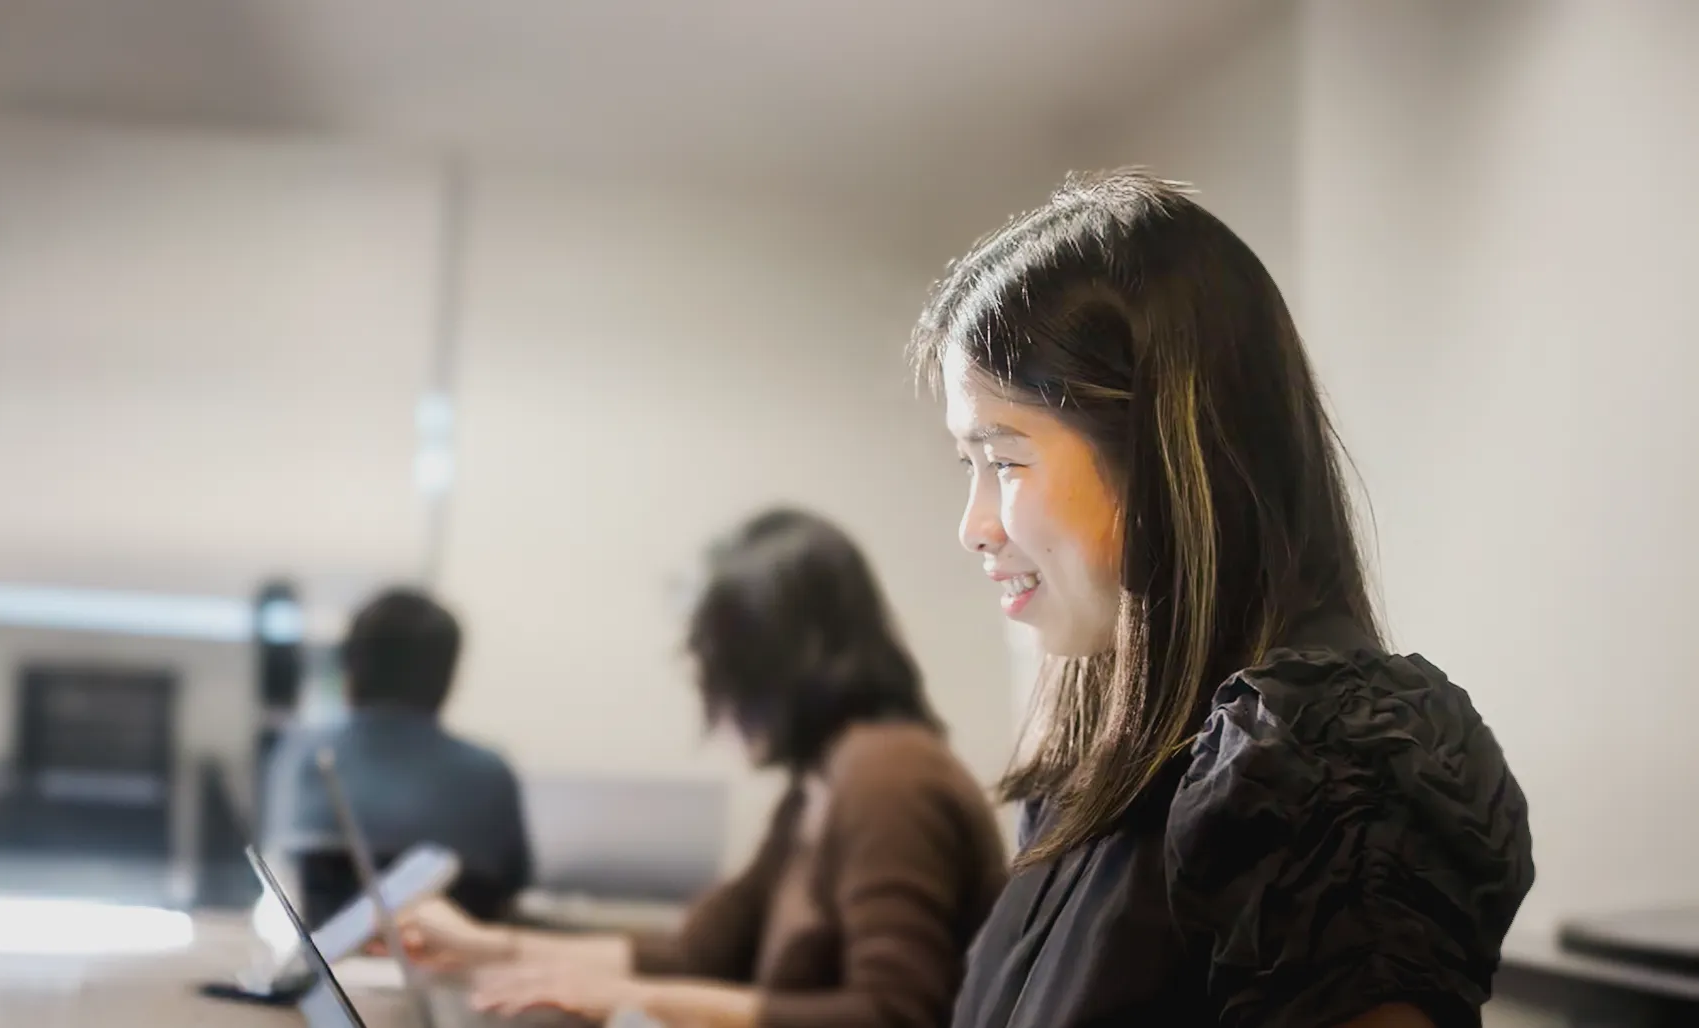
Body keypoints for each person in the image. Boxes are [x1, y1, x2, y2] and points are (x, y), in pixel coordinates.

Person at [916, 170, 1535, 1028]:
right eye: (968, 465)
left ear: (1164, 459)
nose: (973, 526)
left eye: (1006, 460)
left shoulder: (1322, 762)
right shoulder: (1096, 765)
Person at [396, 508, 1007, 1028]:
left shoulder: (890, 779)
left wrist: (632, 1000)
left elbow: (894, 1013)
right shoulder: (820, 784)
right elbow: (697, 953)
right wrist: (490, 948)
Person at [260, 588, 532, 921]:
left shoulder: (300, 753)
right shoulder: (491, 774)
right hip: (450, 959)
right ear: (448, 675)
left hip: (324, 955)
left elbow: (274, 867)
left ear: (349, 664)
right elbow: (515, 888)